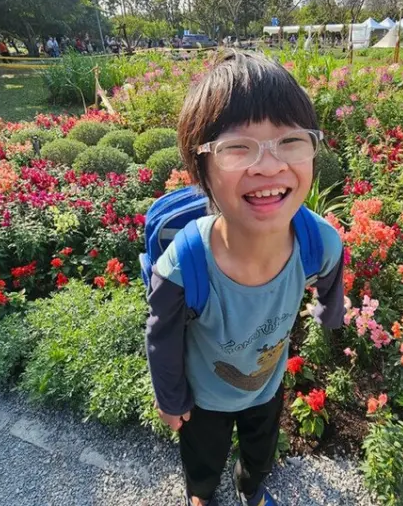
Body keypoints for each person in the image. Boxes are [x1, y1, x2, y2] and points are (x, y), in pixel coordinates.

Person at [145, 51, 345, 506]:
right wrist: (171, 399)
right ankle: (201, 495)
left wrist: (330, 313)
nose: (269, 166)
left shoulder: (319, 242)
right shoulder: (184, 265)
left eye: (290, 140)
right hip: (205, 399)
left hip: (266, 388)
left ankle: (250, 488)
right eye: (238, 147)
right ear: (201, 170)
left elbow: (332, 277)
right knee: (202, 458)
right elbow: (162, 336)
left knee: (261, 451)